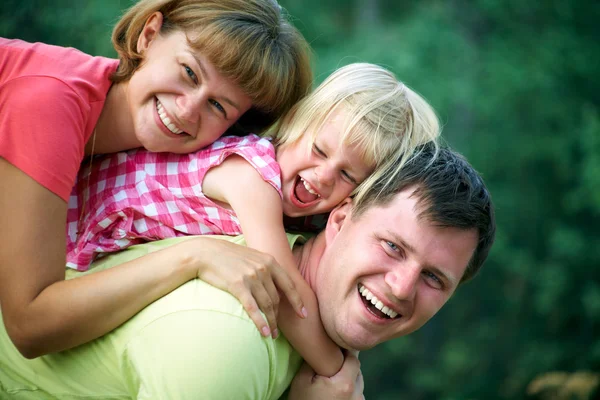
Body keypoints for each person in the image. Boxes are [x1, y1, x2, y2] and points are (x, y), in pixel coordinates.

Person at [0, 143, 496, 399]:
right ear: (340, 219)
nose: (402, 286)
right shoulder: (234, 338)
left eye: (435, 278)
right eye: (391, 246)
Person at [65, 62, 441, 376]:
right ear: (295, 123)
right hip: (71, 220)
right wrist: (336, 369)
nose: (324, 175)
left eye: (348, 176)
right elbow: (281, 287)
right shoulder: (251, 175)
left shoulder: (307, 214)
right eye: (319, 150)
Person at [0, 0, 313, 359]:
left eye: (218, 106)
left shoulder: (136, 167)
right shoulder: (51, 101)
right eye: (189, 73)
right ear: (148, 36)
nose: (187, 109)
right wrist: (193, 257)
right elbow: (29, 324)